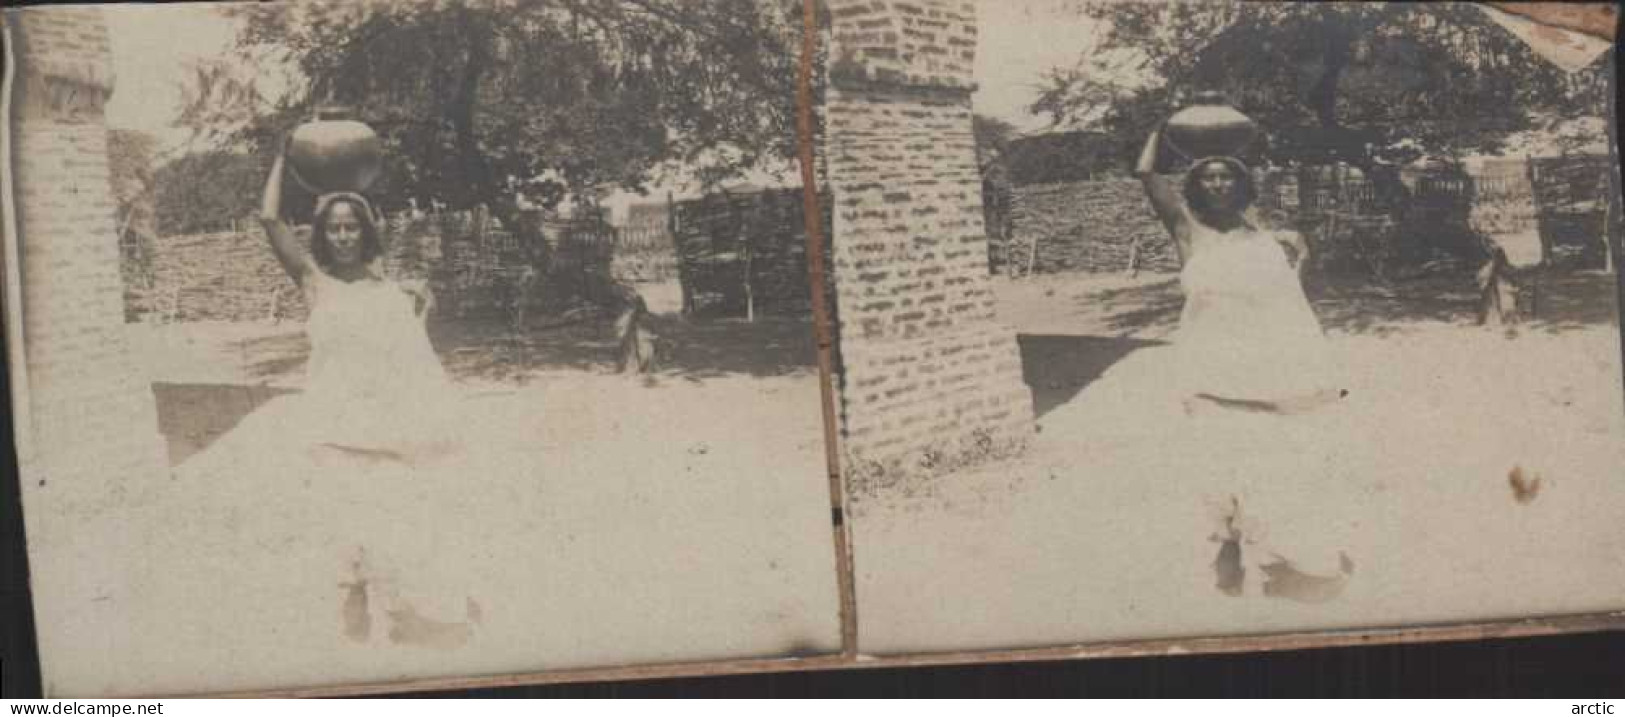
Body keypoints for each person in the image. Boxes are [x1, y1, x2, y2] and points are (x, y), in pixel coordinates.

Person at [1041, 111, 1359, 600]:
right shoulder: (1186, 230)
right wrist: (1162, 126)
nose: (1216, 183)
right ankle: (1228, 542)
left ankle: (1277, 554)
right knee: (1218, 464)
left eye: (1226, 176)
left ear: (1240, 184)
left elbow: (1288, 306)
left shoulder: (1267, 240)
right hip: (1207, 371)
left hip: (1266, 373)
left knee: (1273, 463)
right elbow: (1147, 174)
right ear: (1195, 185)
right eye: (1208, 177)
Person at [252, 140, 461, 465]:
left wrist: (415, 298)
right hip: (331, 430)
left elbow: (414, 362)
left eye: (351, 227)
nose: (344, 236)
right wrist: (281, 156)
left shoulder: (388, 290)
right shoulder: (313, 281)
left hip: (388, 431)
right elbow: (269, 218)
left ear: (364, 232)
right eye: (334, 229)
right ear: (323, 234)